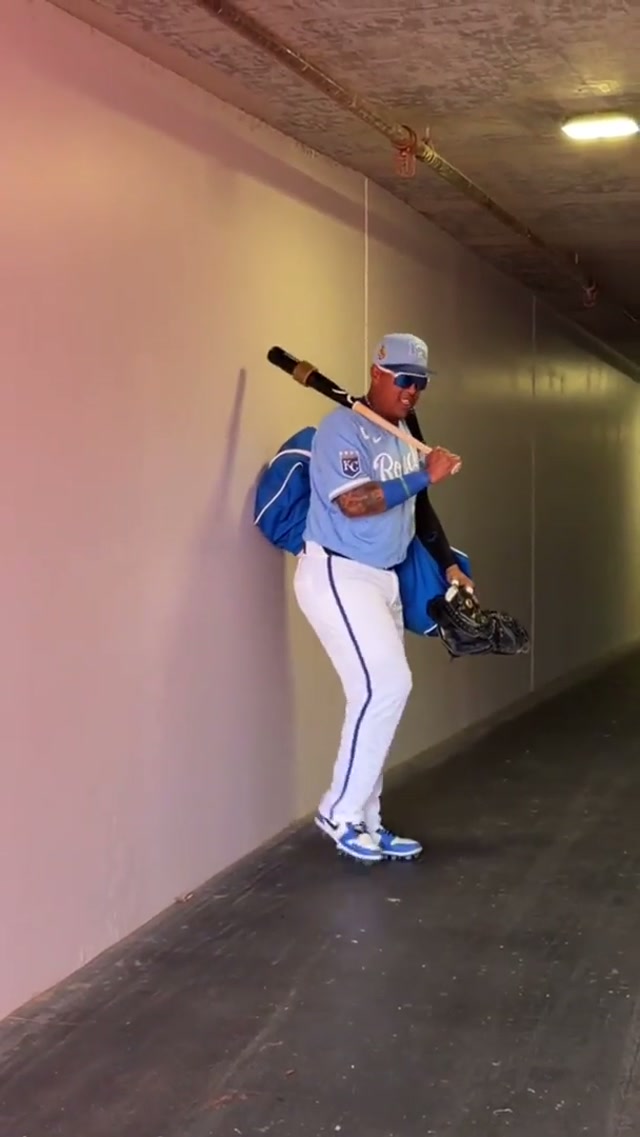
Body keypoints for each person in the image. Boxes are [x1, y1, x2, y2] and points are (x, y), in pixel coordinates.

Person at [293, 332, 473, 864]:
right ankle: (339, 812)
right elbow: (355, 504)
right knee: (389, 685)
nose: (412, 391)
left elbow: (420, 510)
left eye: (419, 382)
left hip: (385, 578)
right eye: (403, 379)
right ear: (376, 373)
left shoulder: (401, 433)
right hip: (338, 573)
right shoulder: (342, 429)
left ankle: (367, 820)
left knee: (373, 695)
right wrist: (424, 473)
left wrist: (447, 563)